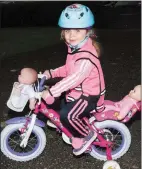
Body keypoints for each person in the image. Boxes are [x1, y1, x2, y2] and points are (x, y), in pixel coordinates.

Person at [41, 3, 106, 156]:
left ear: (88, 32)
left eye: (77, 30)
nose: (71, 35)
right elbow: (68, 69)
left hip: (90, 95)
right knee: (63, 102)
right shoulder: (75, 49)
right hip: (78, 92)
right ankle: (66, 123)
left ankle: (85, 135)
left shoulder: (86, 56)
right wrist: (50, 73)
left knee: (68, 115)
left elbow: (75, 78)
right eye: (68, 30)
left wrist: (52, 91)